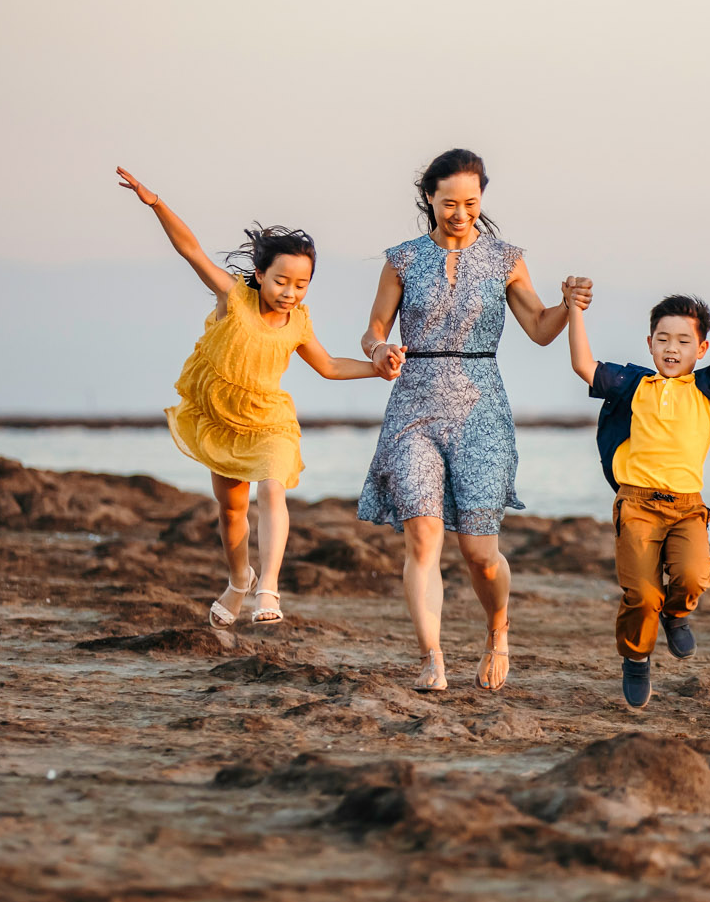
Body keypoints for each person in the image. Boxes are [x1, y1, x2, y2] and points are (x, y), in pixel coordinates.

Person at [116, 167, 396, 629]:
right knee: (230, 513)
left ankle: (268, 586)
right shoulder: (235, 297)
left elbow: (327, 366)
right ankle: (238, 580)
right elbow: (191, 250)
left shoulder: (299, 322)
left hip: (270, 420)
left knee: (272, 487)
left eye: (301, 284)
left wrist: (376, 367)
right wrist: (156, 203)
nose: (290, 292)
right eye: (281, 281)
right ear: (261, 274)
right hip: (223, 418)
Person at [359, 149, 588, 692]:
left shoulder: (506, 259)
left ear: (481, 200)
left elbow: (538, 326)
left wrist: (569, 305)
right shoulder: (403, 259)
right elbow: (372, 328)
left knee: (480, 554)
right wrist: (378, 350)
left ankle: (497, 630)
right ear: (430, 200)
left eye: (471, 202)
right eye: (449, 202)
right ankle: (432, 658)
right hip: (413, 404)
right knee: (423, 535)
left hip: (481, 407)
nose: (460, 212)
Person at [564, 283, 710, 708]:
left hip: (686, 508)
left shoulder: (709, 385)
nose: (672, 348)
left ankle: (676, 615)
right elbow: (583, 365)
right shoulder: (632, 384)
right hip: (637, 504)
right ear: (650, 343)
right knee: (641, 594)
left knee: (693, 576)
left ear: (702, 347)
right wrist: (575, 310)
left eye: (683, 341)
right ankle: (637, 657)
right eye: (662, 339)